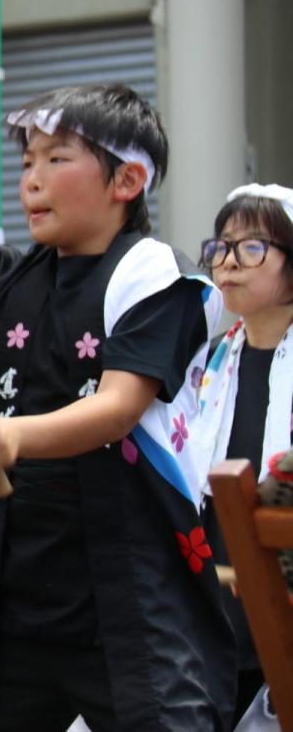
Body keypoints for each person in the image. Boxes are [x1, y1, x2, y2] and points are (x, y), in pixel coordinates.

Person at [0, 55, 235, 730]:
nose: (30, 178)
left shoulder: (156, 274)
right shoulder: (11, 274)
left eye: (55, 158)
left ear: (128, 179)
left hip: (128, 580)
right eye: (28, 159)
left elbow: (119, 405)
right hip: (13, 578)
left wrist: (13, 434)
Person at [193, 182, 293, 725]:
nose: (228, 262)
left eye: (252, 247)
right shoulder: (209, 364)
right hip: (215, 616)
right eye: (222, 247)